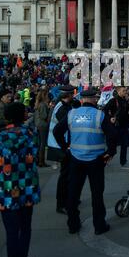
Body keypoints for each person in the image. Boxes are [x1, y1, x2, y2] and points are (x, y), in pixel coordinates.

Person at [0, 102, 40, 257]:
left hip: (6, 190)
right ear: (23, 115)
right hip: (26, 188)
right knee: (25, 227)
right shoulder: (30, 134)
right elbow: (36, 154)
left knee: (11, 231)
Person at [54, 87, 117, 235]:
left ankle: (73, 224)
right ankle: (99, 226)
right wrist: (110, 153)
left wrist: (66, 148)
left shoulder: (71, 114)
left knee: (73, 193)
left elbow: (57, 131)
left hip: (76, 158)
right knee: (97, 194)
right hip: (96, 160)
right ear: (95, 99)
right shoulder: (100, 115)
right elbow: (112, 135)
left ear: (82, 100)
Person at [47, 85, 78, 214]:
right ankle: (61, 203)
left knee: (68, 175)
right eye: (73, 94)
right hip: (61, 146)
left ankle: (68, 198)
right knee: (65, 176)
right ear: (69, 95)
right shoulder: (62, 109)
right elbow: (68, 126)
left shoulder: (63, 106)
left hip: (61, 144)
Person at [104, 86, 129, 166]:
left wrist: (128, 126)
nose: (126, 92)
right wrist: (110, 118)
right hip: (115, 127)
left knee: (124, 145)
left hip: (124, 127)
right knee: (112, 148)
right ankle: (104, 159)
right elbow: (104, 110)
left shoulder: (125, 101)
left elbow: (126, 114)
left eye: (126, 90)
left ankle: (123, 161)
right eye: (124, 90)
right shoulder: (113, 101)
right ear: (118, 91)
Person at [34, 88, 50, 167]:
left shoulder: (38, 104)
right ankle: (41, 161)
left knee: (39, 143)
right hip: (43, 125)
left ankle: (38, 160)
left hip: (38, 124)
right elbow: (44, 116)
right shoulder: (43, 105)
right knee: (42, 144)